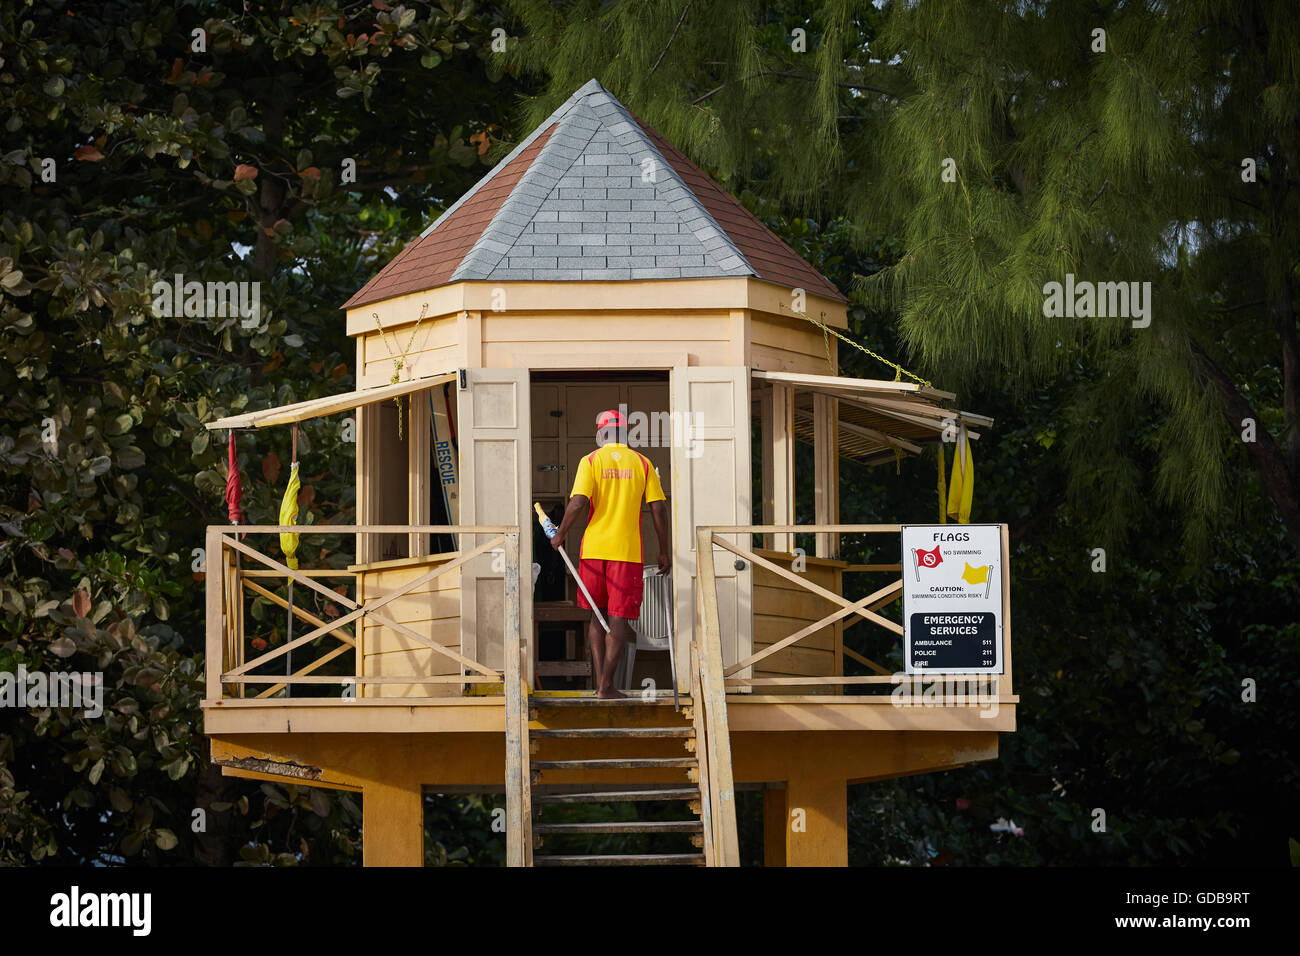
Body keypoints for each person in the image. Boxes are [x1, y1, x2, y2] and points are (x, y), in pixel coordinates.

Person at [551, 409, 670, 698]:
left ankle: (600, 685)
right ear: (624, 432)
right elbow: (658, 509)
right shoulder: (642, 463)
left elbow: (578, 502)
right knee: (618, 619)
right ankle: (606, 685)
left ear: (601, 432)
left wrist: (561, 534)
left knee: (595, 616)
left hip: (593, 550)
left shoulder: (590, 460)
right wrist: (664, 550)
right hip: (626, 553)